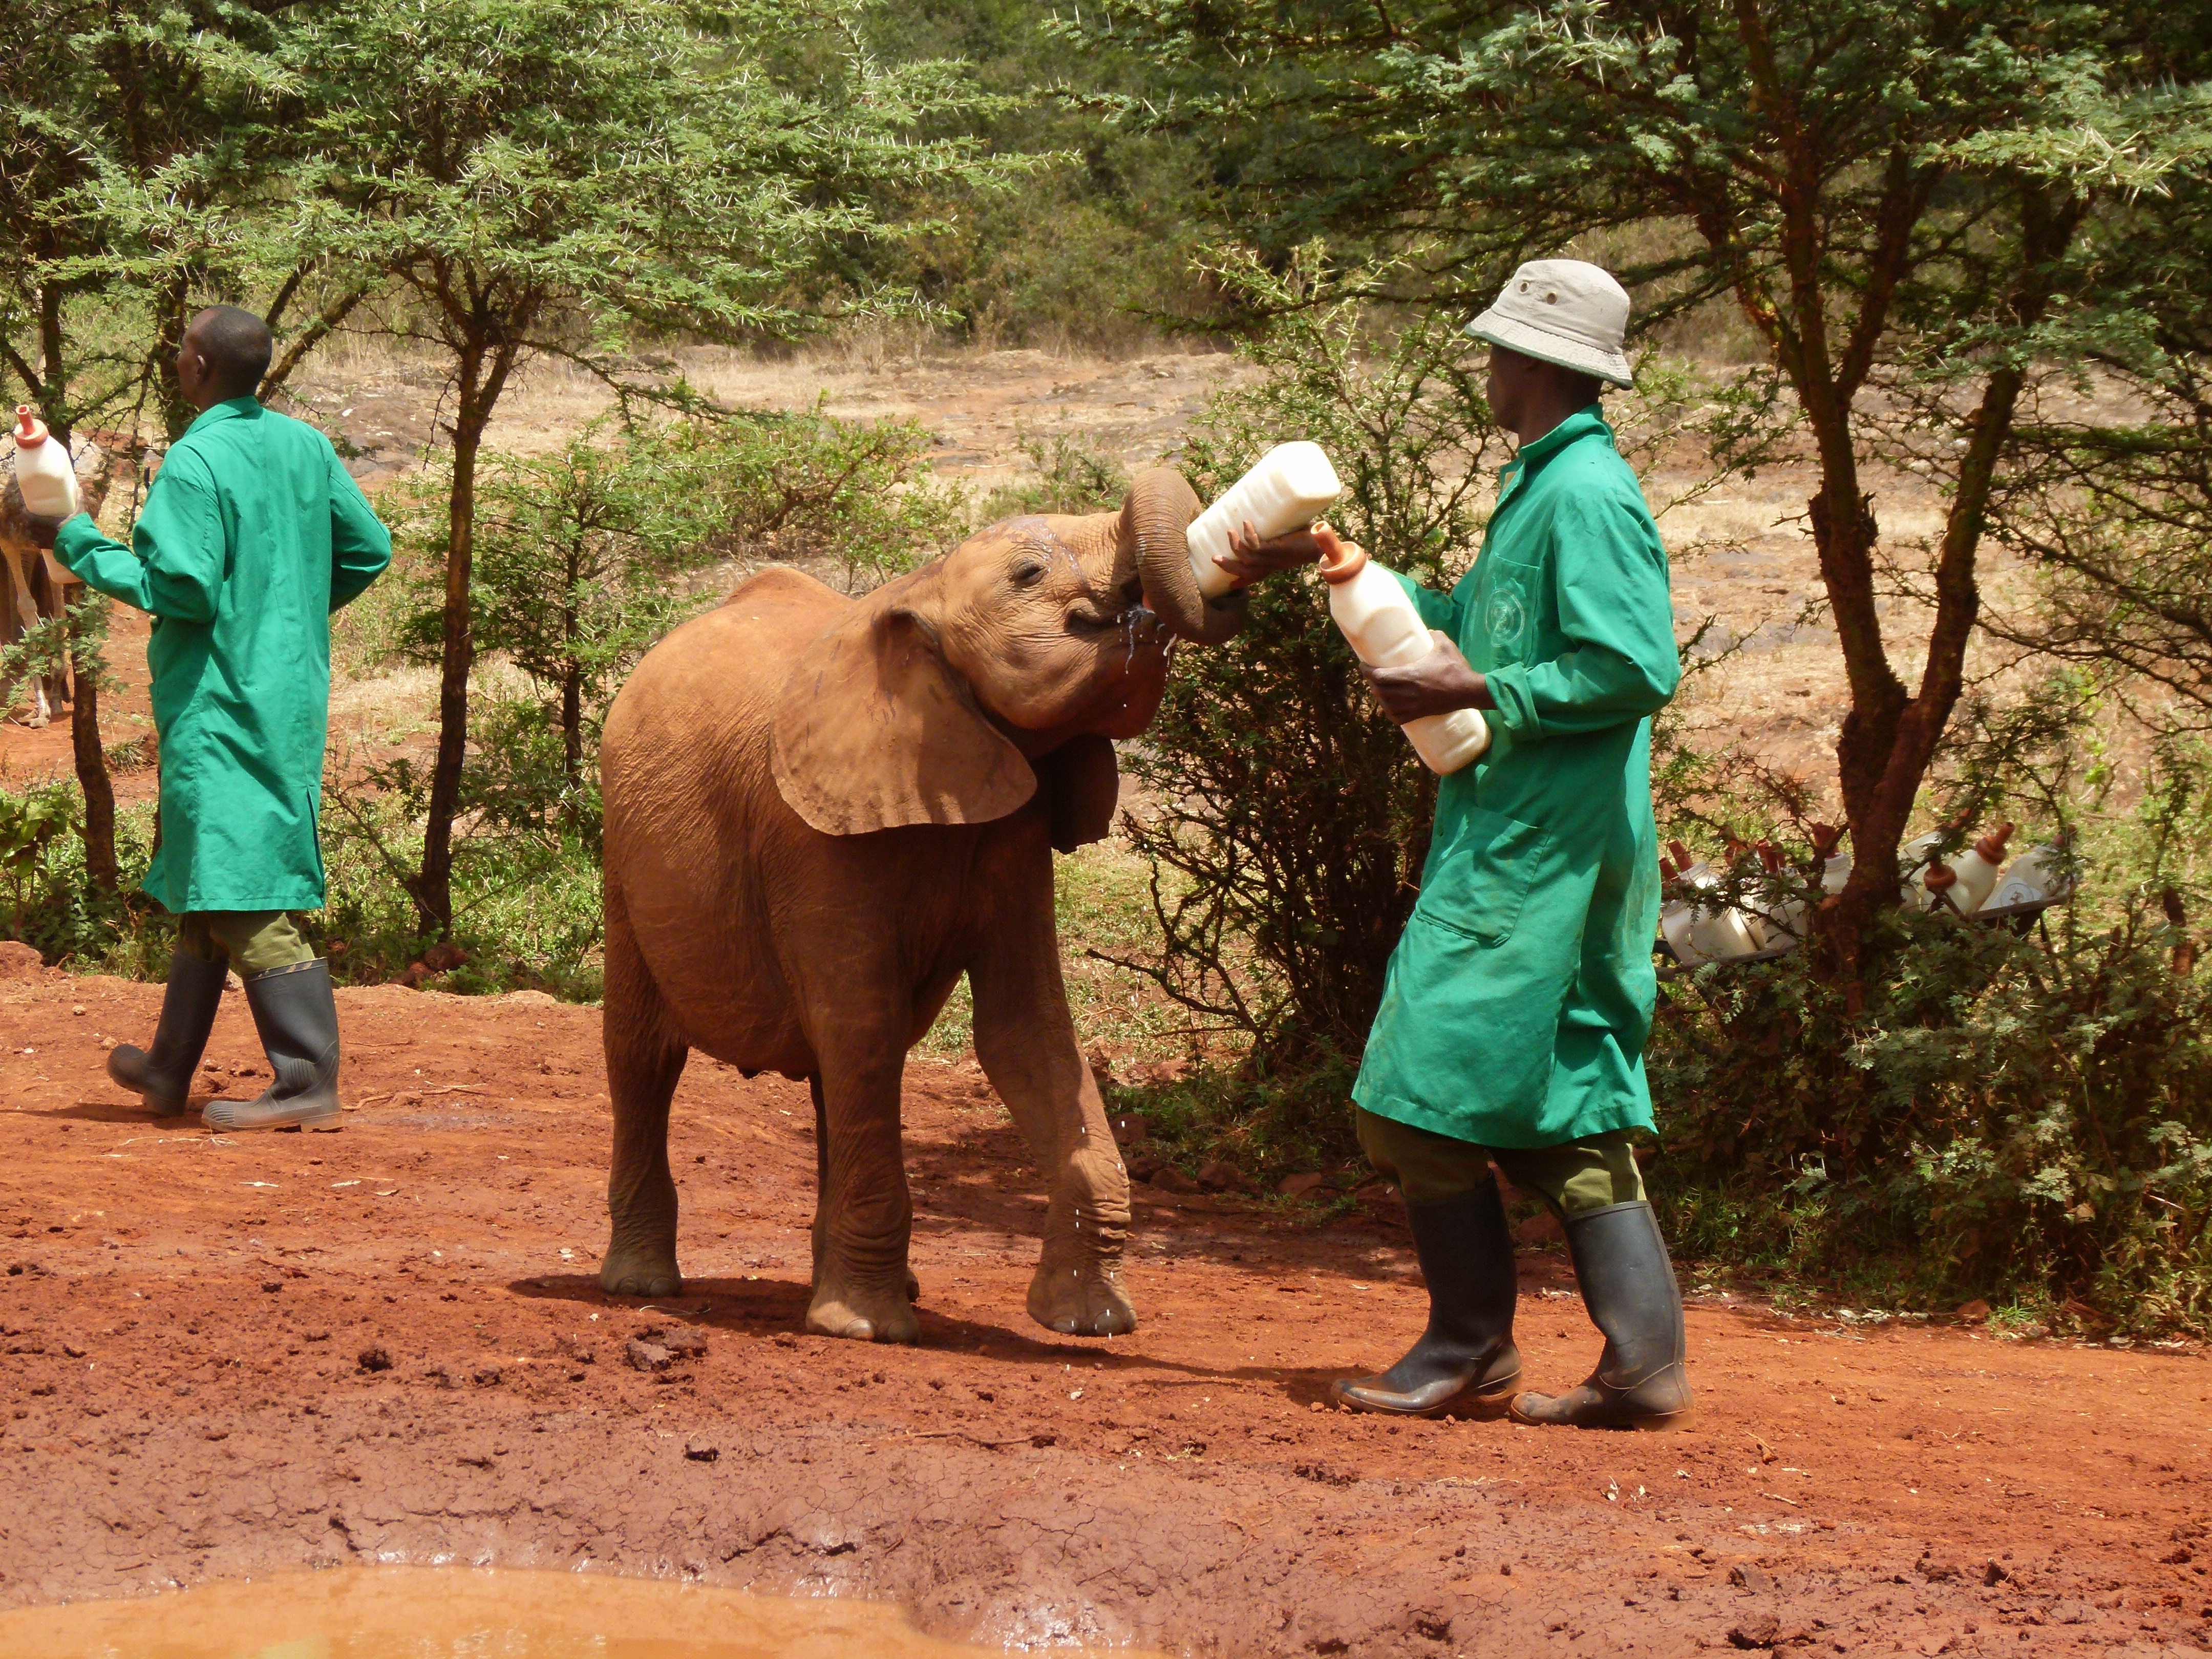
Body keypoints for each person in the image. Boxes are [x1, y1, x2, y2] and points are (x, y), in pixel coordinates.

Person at [1218, 260, 1691, 1430]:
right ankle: (1643, 1369)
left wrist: (1480, 688)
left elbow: (1636, 667)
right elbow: (1475, 627)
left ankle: (1468, 1344)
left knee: (1410, 1096)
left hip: (1540, 848)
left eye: (1494, 349)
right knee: (1566, 1092)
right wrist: (1345, 567)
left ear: (1532, 360)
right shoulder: (1544, 484)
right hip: (1536, 833)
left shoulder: (1586, 495)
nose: (1485, 367)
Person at [21, 305, 392, 1132]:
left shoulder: (195, 459)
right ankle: (167, 1067)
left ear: (197, 366)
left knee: (240, 884)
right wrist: (287, 609)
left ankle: (307, 1081)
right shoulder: (305, 445)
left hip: (219, 698)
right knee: (212, 866)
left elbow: (181, 588)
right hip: (287, 690)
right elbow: (369, 548)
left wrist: (76, 540)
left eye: (183, 351)